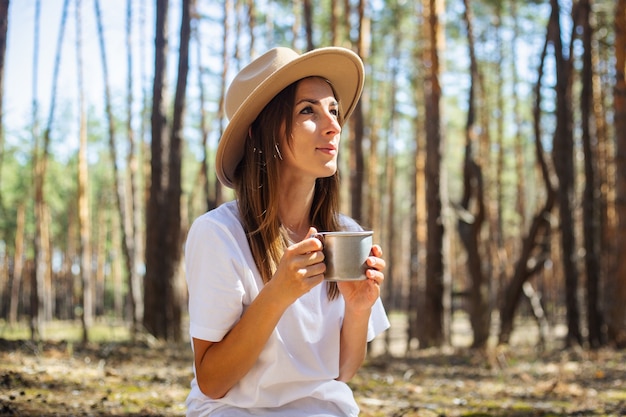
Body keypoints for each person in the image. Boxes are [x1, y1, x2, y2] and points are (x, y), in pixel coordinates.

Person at [184, 46, 390, 417]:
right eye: (307, 110)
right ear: (262, 131)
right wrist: (277, 294)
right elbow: (212, 382)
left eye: (333, 110)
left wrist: (359, 310)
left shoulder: (346, 233)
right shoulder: (218, 234)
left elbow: (343, 371)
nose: (333, 125)